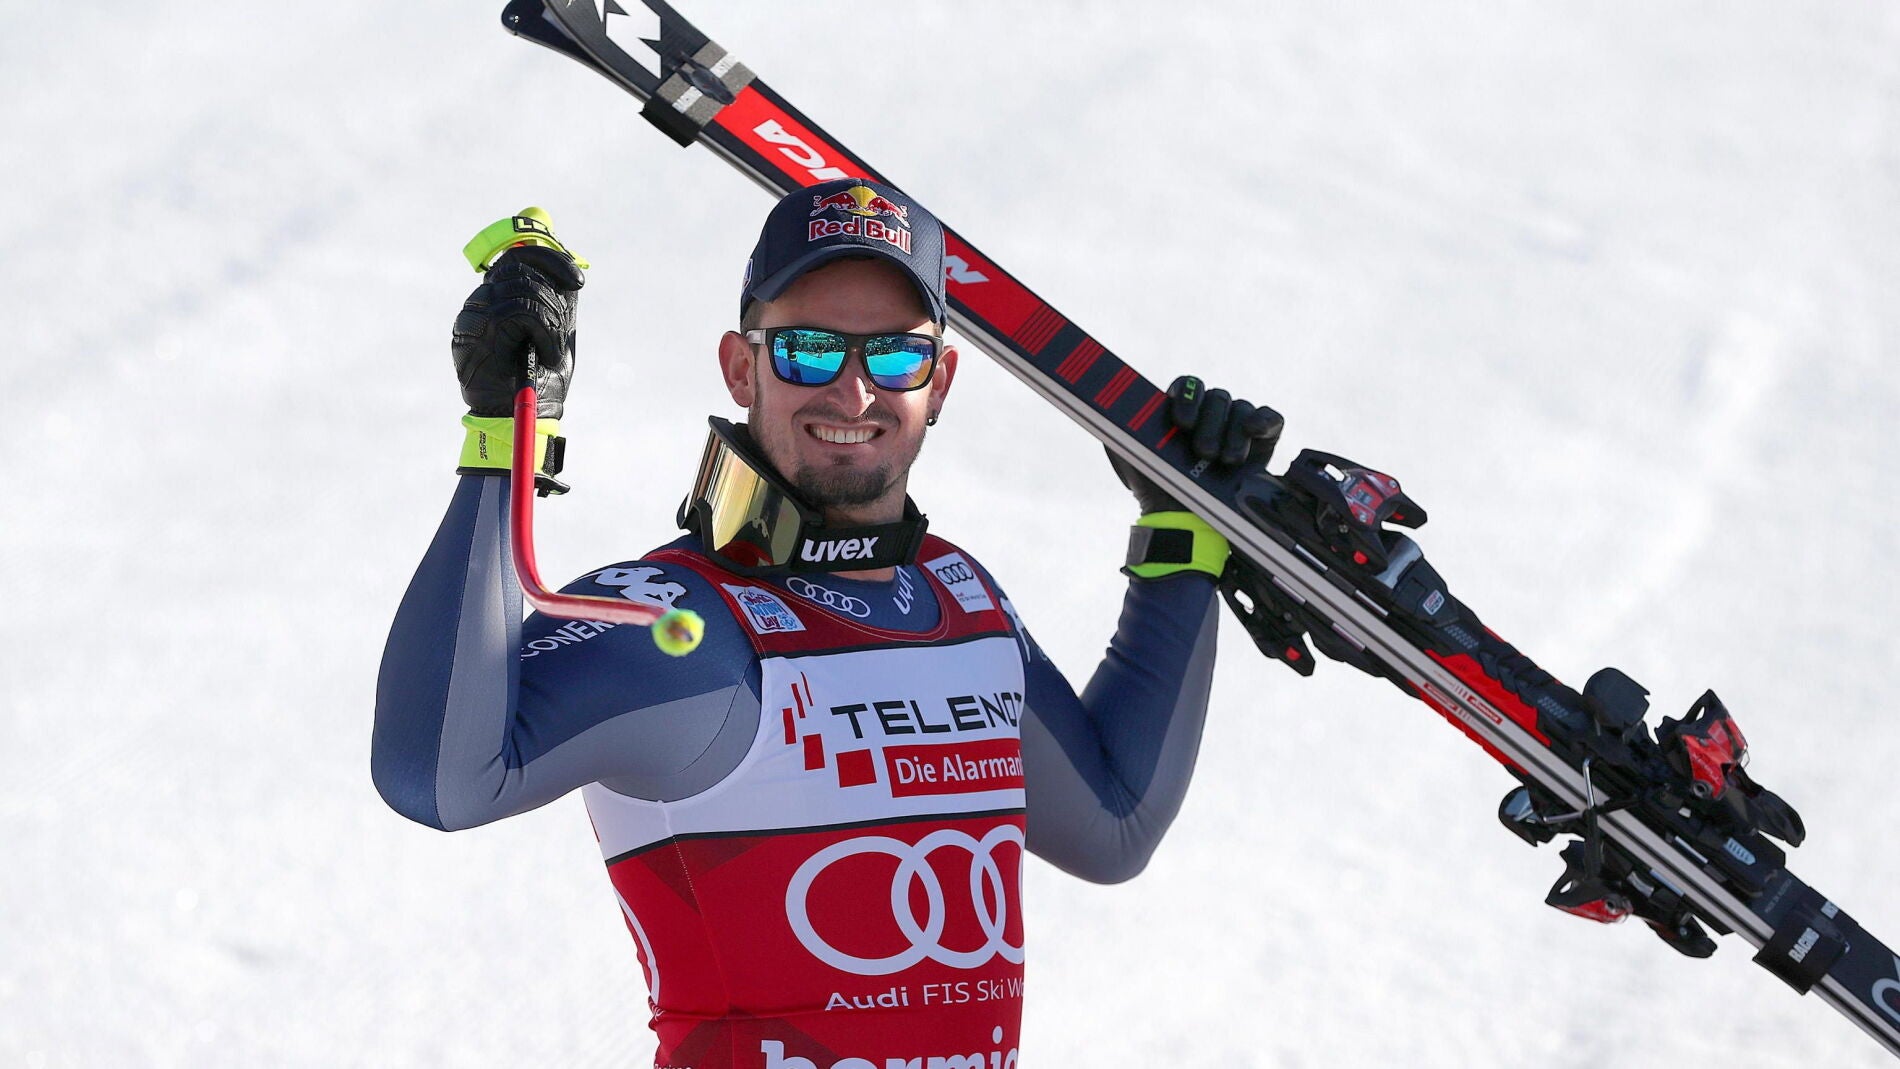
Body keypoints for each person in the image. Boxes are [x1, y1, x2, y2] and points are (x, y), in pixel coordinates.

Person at [373, 178, 1280, 1069]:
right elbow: (436, 780)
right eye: (808, 351)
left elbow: (1114, 823)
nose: (853, 394)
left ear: (941, 382)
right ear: (741, 367)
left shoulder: (960, 600)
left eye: (895, 357)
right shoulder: (676, 621)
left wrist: (1181, 542)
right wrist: (505, 432)